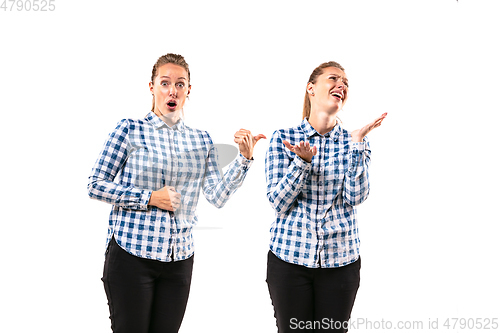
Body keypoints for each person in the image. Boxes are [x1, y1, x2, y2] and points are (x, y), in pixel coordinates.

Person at [87, 53, 265, 333]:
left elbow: (217, 196)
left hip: (179, 260)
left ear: (188, 91)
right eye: (165, 83)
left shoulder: (201, 139)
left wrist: (244, 159)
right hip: (132, 256)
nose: (173, 90)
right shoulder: (130, 130)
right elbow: (96, 184)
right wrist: (149, 198)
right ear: (152, 87)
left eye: (180, 84)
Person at [265, 61, 386, 332]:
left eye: (345, 82)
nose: (341, 85)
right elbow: (278, 202)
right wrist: (302, 163)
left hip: (340, 264)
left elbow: (356, 197)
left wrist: (357, 144)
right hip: (289, 262)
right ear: (311, 88)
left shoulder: (352, 141)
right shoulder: (283, 138)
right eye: (333, 79)